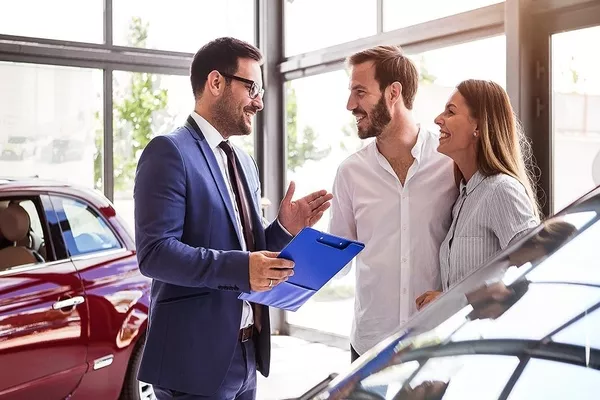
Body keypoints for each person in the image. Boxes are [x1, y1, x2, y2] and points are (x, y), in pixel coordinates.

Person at [133, 37, 333, 400]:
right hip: (192, 362)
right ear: (215, 83)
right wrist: (241, 269)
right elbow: (155, 253)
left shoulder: (243, 162)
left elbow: (249, 254)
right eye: (251, 87)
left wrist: (286, 228)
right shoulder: (168, 151)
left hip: (245, 354)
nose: (258, 102)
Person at [328, 45, 458, 363]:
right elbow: (338, 262)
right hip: (369, 345)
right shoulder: (350, 172)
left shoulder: (449, 164)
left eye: (360, 92)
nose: (350, 105)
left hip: (435, 341)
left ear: (392, 92)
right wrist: (297, 237)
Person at [416, 79, 540, 310]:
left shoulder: (501, 190)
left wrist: (452, 299)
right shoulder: (463, 196)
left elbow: (534, 272)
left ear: (479, 127)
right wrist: (448, 297)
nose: (437, 119)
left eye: (450, 112)